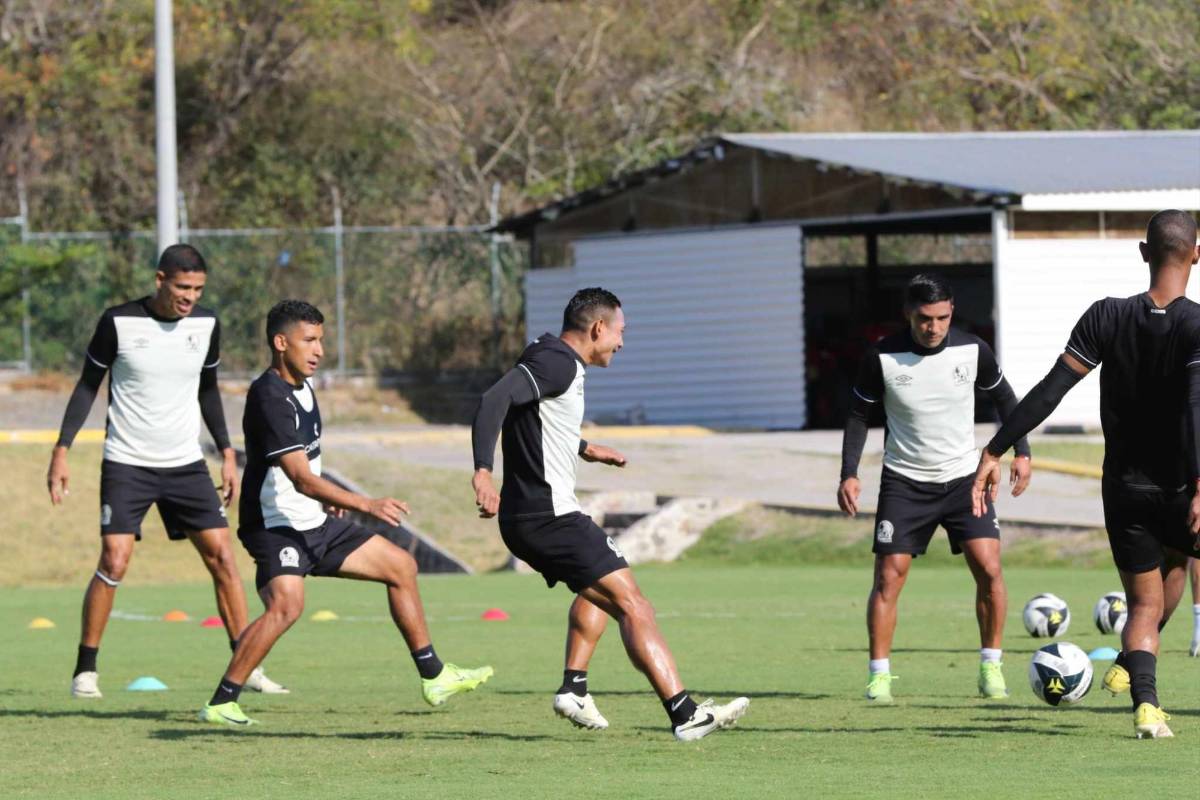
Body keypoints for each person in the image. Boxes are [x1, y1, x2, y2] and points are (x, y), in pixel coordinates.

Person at [471, 287, 749, 741]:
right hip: (549, 516)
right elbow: (492, 402)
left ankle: (574, 688)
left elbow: (531, 418)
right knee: (634, 605)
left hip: (533, 518)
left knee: (598, 588)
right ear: (598, 328)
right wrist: (483, 473)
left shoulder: (550, 357)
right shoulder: (557, 362)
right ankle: (685, 714)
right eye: (620, 331)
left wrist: (584, 448)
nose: (622, 342)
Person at [200, 300, 492, 726]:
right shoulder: (269, 396)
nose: (319, 350)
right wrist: (365, 503)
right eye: (309, 340)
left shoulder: (305, 386)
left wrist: (327, 497)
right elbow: (298, 476)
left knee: (401, 566)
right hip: (276, 526)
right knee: (286, 606)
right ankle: (222, 702)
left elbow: (309, 466)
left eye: (321, 340)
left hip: (313, 521)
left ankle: (434, 676)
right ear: (281, 343)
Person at [973, 210, 1200, 739]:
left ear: (1144, 254)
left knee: (1151, 594)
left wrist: (995, 449)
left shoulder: (1105, 316)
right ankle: (1137, 676)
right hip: (1182, 485)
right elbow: (1196, 408)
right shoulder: (1196, 326)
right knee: (1161, 585)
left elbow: (1052, 389)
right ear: (1196, 255)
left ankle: (1146, 704)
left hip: (1123, 489)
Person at [47, 244, 285, 698]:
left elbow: (209, 391)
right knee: (114, 559)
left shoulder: (207, 324)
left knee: (223, 558)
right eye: (181, 287)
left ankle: (246, 667)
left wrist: (227, 452)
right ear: (160, 280)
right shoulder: (117, 322)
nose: (189, 297)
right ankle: (86, 670)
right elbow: (85, 387)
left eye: (197, 289)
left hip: (186, 466)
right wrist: (62, 449)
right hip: (126, 462)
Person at [838, 273, 1032, 703]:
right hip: (905, 482)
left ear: (951, 312)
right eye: (925, 318)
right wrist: (849, 471)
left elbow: (1007, 400)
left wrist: (1021, 450)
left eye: (943, 317)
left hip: (965, 480)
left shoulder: (972, 349)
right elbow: (857, 416)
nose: (934, 327)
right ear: (909, 314)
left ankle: (991, 667)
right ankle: (879, 676)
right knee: (890, 577)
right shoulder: (882, 357)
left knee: (990, 569)